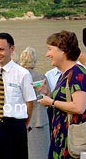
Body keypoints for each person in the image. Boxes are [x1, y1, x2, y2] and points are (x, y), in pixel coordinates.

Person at [38, 30, 86, 159]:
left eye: (50, 49)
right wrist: (47, 94)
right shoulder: (66, 74)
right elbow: (66, 100)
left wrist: (51, 102)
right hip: (62, 138)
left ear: (63, 50)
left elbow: (79, 107)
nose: (47, 54)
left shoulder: (76, 74)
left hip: (70, 142)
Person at [0, 33, 36, 159]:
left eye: (1, 49)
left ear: (12, 49)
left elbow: (30, 102)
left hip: (15, 127)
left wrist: (22, 124)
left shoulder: (23, 74)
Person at [19, 46, 49, 159]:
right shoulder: (41, 77)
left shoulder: (17, 75)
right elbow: (47, 99)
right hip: (39, 120)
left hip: (21, 120)